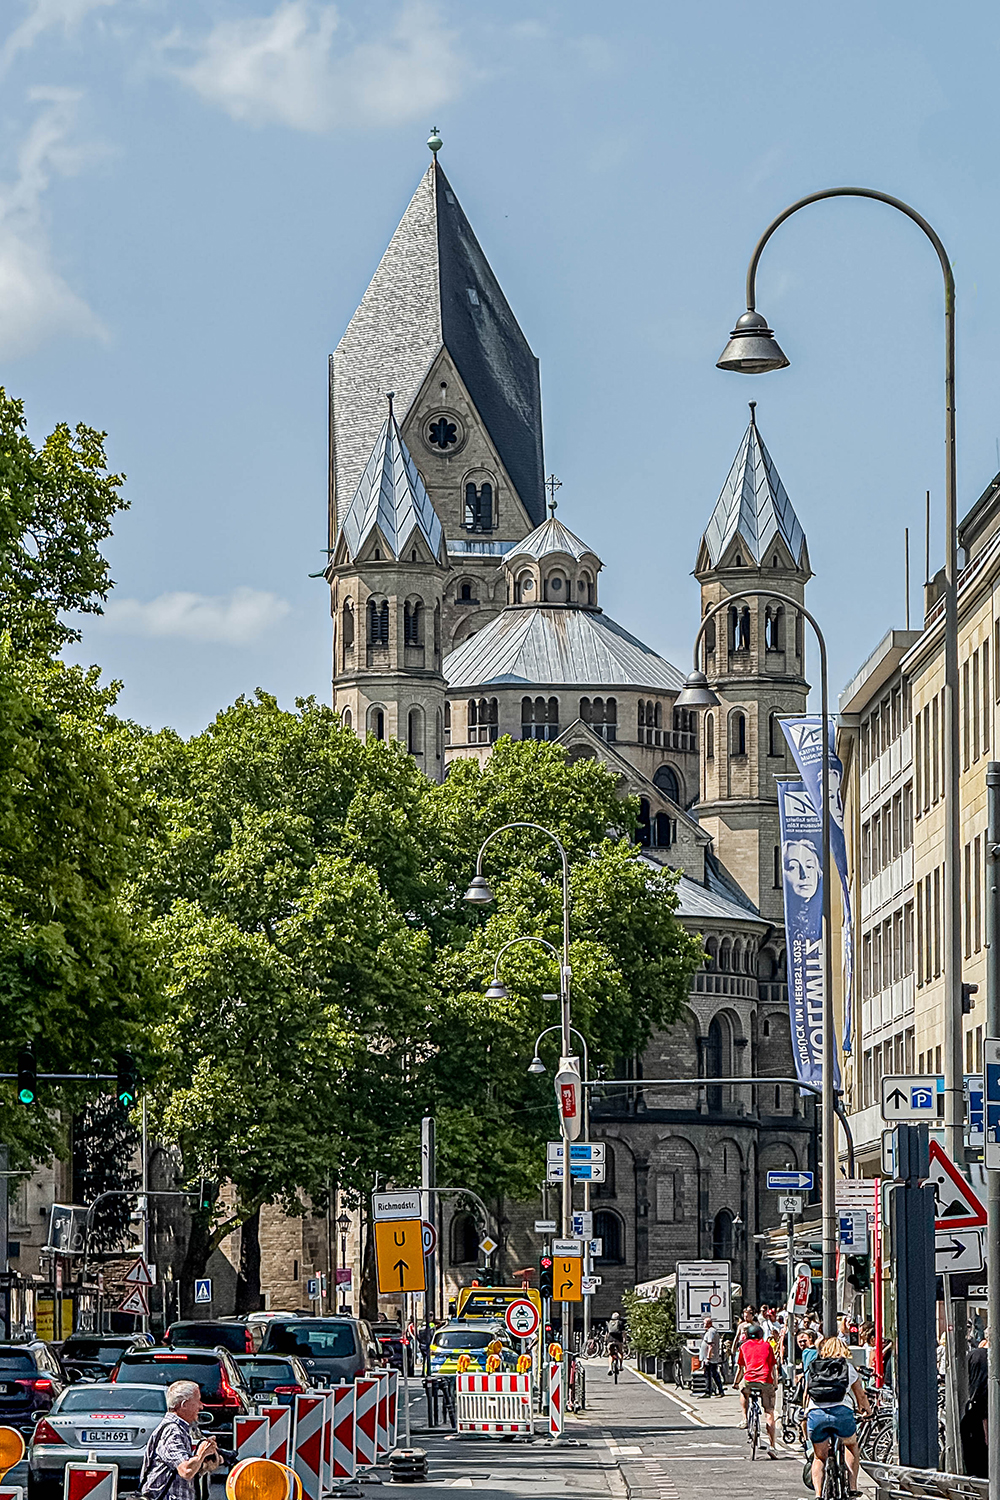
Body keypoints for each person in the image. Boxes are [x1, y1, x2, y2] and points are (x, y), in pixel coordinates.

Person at [805, 1337, 871, 1499]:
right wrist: (866, 1411)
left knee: (820, 1456)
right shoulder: (848, 1368)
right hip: (841, 1414)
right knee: (851, 1444)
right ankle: (852, 1486)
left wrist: (804, 1414)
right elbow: (860, 1395)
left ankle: (819, 1495)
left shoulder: (813, 1368)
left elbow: (807, 1394)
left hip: (816, 1414)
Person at [139, 1381, 221, 1500]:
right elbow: (186, 1471)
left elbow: (179, 1471)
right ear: (184, 1404)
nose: (201, 1406)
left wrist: (205, 1464)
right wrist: (202, 1453)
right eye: (198, 1401)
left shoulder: (179, 1429)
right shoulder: (173, 1431)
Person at [734, 1323, 779, 1458]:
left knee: (743, 1391)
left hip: (749, 1380)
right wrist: (775, 1384)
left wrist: (736, 1383)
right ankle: (772, 1446)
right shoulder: (767, 1346)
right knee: (769, 1412)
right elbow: (773, 1368)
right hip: (765, 1381)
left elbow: (741, 1368)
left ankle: (745, 1418)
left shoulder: (744, 1346)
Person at [699, 1317, 724, 1398]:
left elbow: (710, 1345)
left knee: (710, 1374)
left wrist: (708, 1357)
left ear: (709, 1323)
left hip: (710, 1359)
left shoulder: (711, 1332)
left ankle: (709, 1391)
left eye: (704, 1323)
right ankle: (716, 1390)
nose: (703, 1325)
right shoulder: (711, 1331)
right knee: (712, 1374)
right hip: (710, 1358)